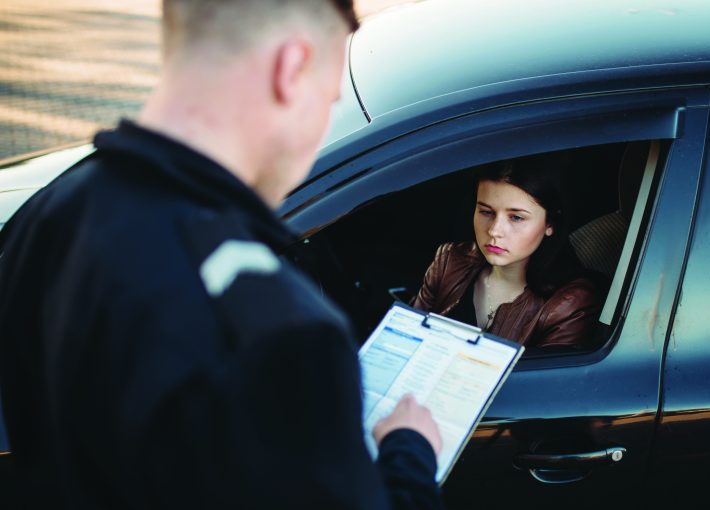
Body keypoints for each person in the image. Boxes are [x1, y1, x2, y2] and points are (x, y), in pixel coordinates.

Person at [0, 1, 444, 509]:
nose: (323, 125)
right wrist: (409, 454)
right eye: (329, 100)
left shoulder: (48, 213)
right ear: (291, 68)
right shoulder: (285, 335)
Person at [412, 158, 602, 350]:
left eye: (516, 218)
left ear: (550, 223)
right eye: (486, 212)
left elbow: (542, 380)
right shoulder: (450, 261)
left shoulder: (569, 305)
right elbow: (406, 339)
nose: (494, 231)